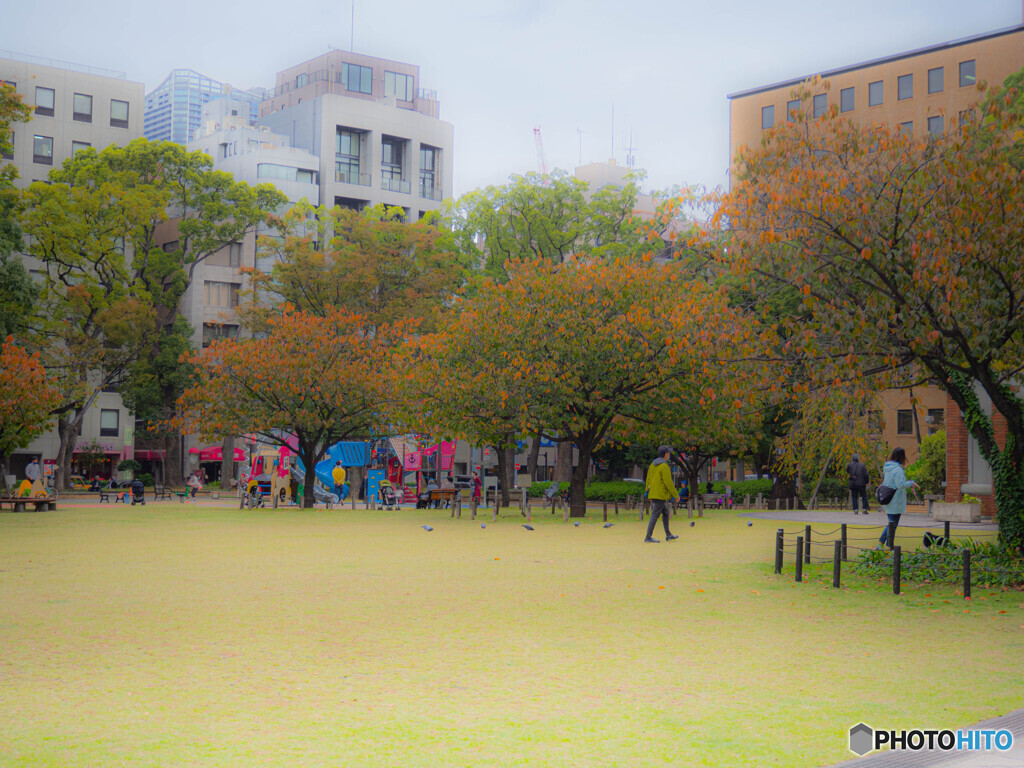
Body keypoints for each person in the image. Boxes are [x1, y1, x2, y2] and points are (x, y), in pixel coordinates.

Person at [878, 447, 918, 548]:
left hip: (887, 498)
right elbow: (900, 485)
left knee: (890, 523)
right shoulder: (898, 470)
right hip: (895, 500)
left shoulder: (887, 467)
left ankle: (880, 545)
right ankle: (888, 546)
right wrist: (911, 482)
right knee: (893, 525)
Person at [644, 445, 680, 543]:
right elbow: (668, 482)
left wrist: (647, 492)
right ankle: (648, 537)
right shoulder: (664, 466)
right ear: (665, 454)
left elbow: (648, 479)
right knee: (655, 514)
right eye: (668, 453)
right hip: (660, 494)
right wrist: (676, 495)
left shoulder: (653, 464)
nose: (669, 455)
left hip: (653, 493)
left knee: (666, 512)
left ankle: (668, 535)